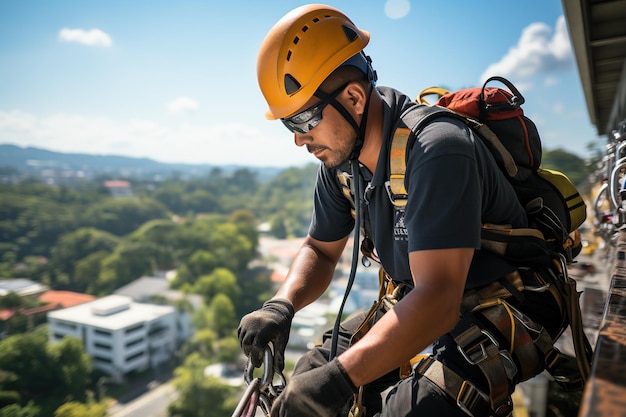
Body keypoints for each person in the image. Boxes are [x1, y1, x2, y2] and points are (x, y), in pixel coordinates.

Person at [238, 4, 568, 417]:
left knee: (408, 410)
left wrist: (341, 379)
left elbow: (439, 300)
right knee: (309, 376)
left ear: (354, 98)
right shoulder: (342, 163)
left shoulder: (437, 150)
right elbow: (320, 250)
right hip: (422, 298)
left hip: (510, 299)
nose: (299, 140)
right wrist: (281, 305)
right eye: (289, 125)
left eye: (304, 120)